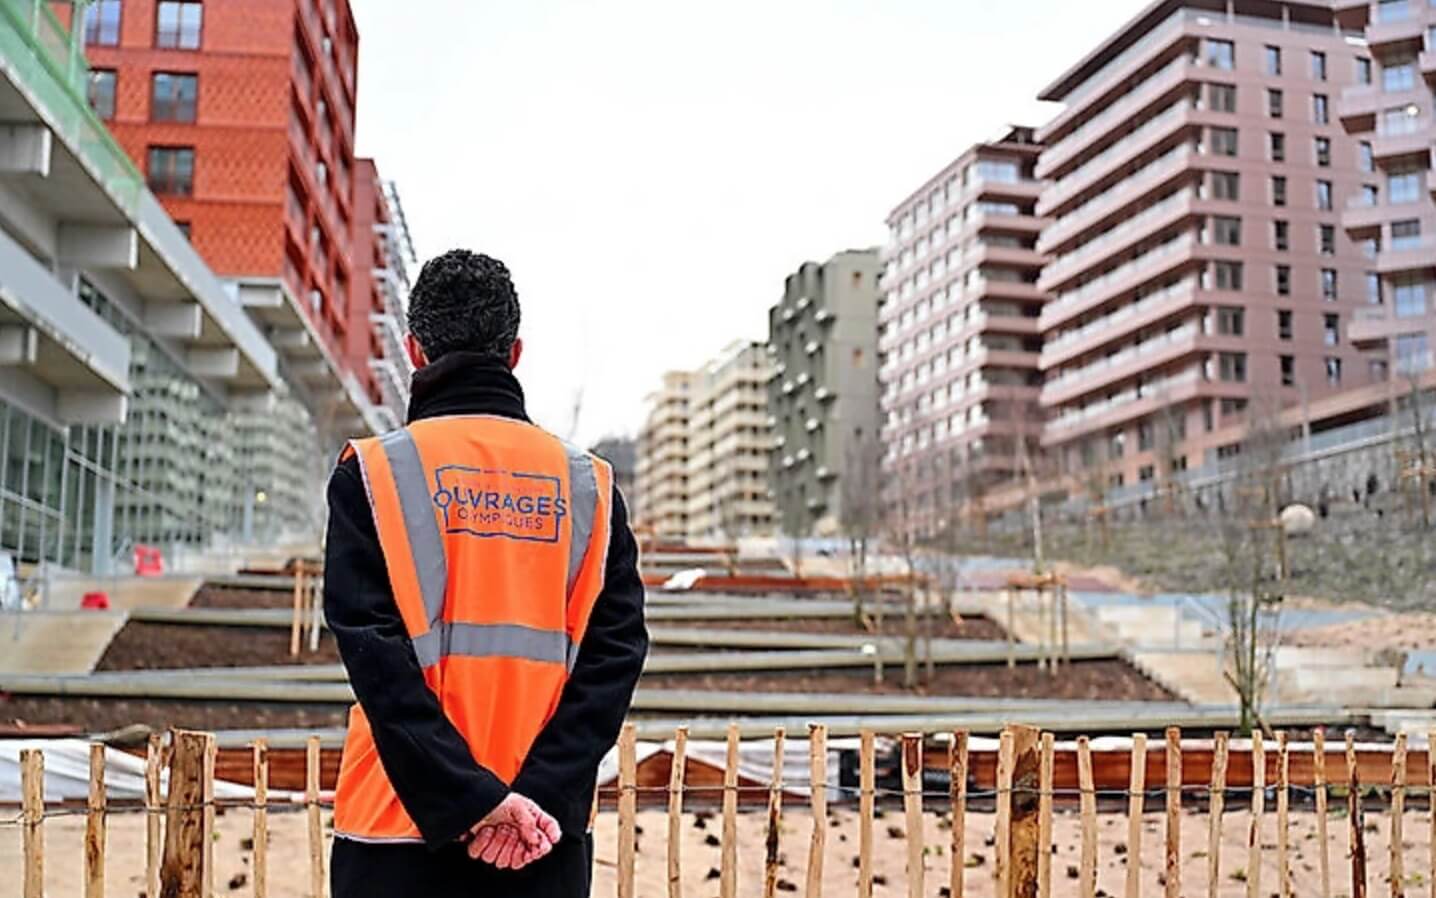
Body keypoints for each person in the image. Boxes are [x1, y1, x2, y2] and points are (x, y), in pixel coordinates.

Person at [323, 250, 648, 897]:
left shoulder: (373, 473)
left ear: (414, 350)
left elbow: (377, 661)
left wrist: (466, 803)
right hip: (540, 840)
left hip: (394, 831)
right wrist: (538, 796)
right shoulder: (588, 487)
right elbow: (616, 657)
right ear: (516, 353)